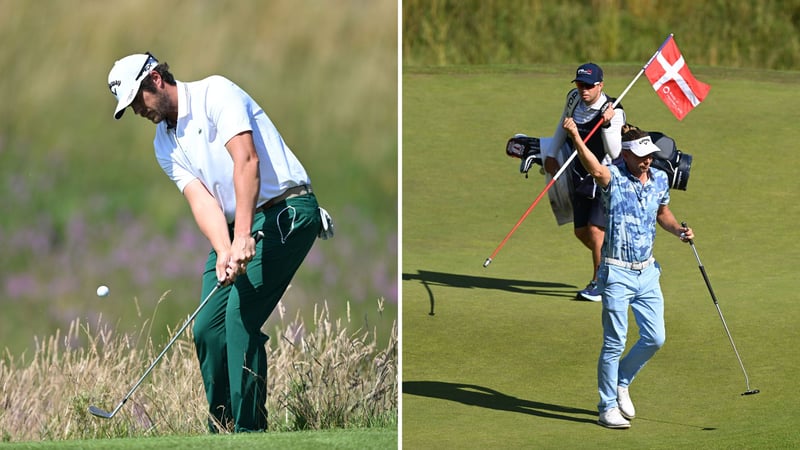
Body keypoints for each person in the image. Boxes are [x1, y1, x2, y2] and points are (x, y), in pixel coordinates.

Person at [107, 52, 332, 432]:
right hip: (236, 226)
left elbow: (246, 161)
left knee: (239, 317)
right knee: (207, 330)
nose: (137, 111)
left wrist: (242, 234)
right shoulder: (164, 143)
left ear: (157, 79)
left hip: (287, 211)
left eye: (137, 100)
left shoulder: (215, 93)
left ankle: (249, 433)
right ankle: (222, 431)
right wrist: (224, 248)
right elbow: (201, 199)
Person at [563, 119, 693, 429]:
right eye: (641, 155)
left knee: (655, 337)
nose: (648, 160)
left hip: (647, 272)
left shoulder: (659, 179)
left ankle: (622, 380)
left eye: (650, 154)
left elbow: (663, 213)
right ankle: (606, 406)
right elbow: (594, 168)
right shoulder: (614, 178)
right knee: (614, 342)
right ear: (626, 155)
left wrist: (679, 231)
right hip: (617, 273)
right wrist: (575, 137)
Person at [542, 63, 626, 302]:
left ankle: (600, 283)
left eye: (589, 86)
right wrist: (551, 153)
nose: (584, 90)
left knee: (595, 229)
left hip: (605, 175)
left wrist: (607, 125)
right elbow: (564, 122)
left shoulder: (615, 110)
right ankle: (614, 267)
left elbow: (615, 151)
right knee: (580, 232)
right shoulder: (573, 98)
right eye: (580, 84)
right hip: (580, 172)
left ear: (601, 85)